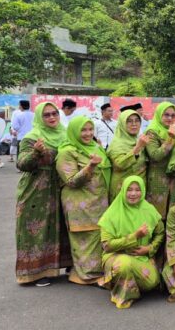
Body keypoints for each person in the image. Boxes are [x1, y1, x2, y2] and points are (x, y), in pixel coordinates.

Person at [15, 102, 70, 286]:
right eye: (46, 115)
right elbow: (22, 164)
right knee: (36, 229)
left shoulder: (66, 134)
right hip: (36, 191)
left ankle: (66, 263)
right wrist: (36, 153)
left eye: (55, 113)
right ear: (39, 117)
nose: (52, 117)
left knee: (62, 226)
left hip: (61, 188)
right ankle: (37, 272)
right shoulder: (31, 138)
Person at [55, 115, 111, 285]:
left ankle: (93, 271)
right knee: (83, 240)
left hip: (99, 202)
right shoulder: (67, 152)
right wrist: (91, 166)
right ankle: (86, 275)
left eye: (90, 129)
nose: (87, 134)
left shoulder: (95, 146)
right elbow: (71, 180)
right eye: (83, 130)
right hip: (80, 204)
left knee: (96, 238)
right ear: (73, 131)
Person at [98, 176, 164, 309]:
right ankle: (124, 295)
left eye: (137, 190)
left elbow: (160, 233)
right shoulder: (111, 214)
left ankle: (129, 283)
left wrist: (149, 248)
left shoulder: (149, 210)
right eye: (129, 190)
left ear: (143, 191)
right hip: (115, 256)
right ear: (123, 191)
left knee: (152, 282)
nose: (133, 194)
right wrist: (135, 236)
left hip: (141, 258)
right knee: (124, 265)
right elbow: (107, 245)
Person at [144, 102, 175, 219]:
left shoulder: (173, 130)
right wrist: (170, 139)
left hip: (172, 178)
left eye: (173, 115)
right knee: (156, 215)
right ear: (159, 114)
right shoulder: (152, 131)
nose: (170, 118)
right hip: (157, 179)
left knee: (171, 214)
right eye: (166, 115)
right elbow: (155, 155)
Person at [107, 109, 148, 202]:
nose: (134, 124)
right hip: (122, 188)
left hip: (139, 189)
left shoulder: (139, 140)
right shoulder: (116, 144)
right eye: (129, 121)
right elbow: (120, 164)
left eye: (137, 120)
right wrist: (138, 148)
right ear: (122, 124)